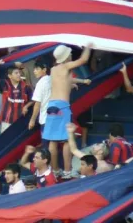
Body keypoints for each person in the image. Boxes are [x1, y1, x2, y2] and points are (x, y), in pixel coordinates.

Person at [42, 44, 92, 179]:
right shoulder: (66, 67)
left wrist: (81, 81)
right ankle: (67, 170)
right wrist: (89, 46)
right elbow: (83, 60)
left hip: (51, 106)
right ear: (66, 56)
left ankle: (55, 170)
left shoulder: (53, 69)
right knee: (65, 140)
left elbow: (67, 79)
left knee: (52, 140)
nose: (71, 55)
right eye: (69, 54)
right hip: (63, 107)